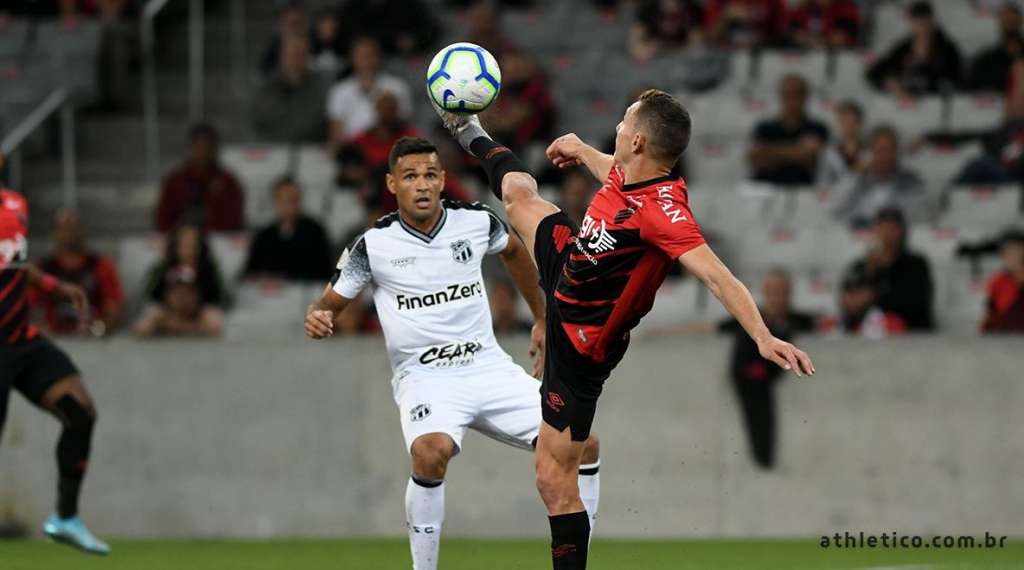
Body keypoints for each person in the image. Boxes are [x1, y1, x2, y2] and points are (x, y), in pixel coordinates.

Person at [434, 89, 813, 569]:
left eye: (624, 120)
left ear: (636, 141)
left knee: (552, 480)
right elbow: (611, 169)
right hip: (570, 263)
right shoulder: (629, 169)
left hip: (581, 344)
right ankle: (468, 128)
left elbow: (719, 277)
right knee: (517, 194)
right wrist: (577, 148)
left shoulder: (666, 213)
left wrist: (762, 335)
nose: (616, 126)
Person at [304, 137, 602, 570]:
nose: (421, 184)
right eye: (410, 177)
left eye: (429, 174)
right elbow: (326, 306)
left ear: (443, 180)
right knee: (430, 451)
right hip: (426, 377)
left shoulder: (477, 221)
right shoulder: (374, 245)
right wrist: (318, 319)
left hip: (487, 366)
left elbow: (516, 252)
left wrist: (542, 318)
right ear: (392, 184)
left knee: (585, 444)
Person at [0, 189, 109, 555]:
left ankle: (65, 517)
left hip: (20, 340)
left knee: (80, 413)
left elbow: (14, 262)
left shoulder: (16, 205)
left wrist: (53, 286)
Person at [718, 269, 816, 470]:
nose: (776, 297)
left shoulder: (803, 323)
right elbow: (712, 330)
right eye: (772, 291)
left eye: (781, 292)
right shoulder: (748, 323)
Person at [33, 210, 123, 336]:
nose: (69, 234)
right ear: (55, 233)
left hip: (91, 336)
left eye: (73, 228)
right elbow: (32, 307)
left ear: (82, 230)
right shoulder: (42, 269)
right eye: (63, 229)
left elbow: (113, 307)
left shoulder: (101, 266)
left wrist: (100, 329)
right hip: (54, 336)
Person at [846, 208, 934, 331]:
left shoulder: (916, 264)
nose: (888, 234)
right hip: (868, 333)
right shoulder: (861, 266)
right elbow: (848, 296)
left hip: (909, 333)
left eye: (893, 228)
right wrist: (870, 272)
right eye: (883, 228)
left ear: (902, 232)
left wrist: (873, 296)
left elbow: (915, 301)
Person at [831, 126, 927, 228]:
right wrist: (854, 175)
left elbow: (918, 218)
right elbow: (834, 210)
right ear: (870, 153)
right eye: (879, 150)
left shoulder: (912, 181)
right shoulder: (855, 180)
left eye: (889, 150)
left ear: (896, 152)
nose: (884, 155)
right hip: (856, 234)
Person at [155, 124, 245, 233]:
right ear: (191, 147)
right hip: (183, 244)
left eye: (207, 147)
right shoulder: (175, 181)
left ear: (214, 148)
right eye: (198, 146)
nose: (202, 152)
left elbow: (235, 220)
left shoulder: (228, 182)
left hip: (219, 243)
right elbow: (163, 220)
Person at [242, 178, 334, 282]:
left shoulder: (315, 233)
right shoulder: (265, 236)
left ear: (298, 201)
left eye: (291, 199)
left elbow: (324, 272)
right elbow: (250, 273)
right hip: (270, 294)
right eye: (281, 200)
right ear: (275, 202)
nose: (286, 205)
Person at [326, 36, 413, 145]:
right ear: (352, 58)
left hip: (389, 148)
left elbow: (405, 127)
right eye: (361, 55)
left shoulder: (397, 87)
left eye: (370, 55)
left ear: (379, 57)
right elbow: (335, 133)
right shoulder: (339, 90)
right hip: (353, 152)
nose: (366, 59)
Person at [747, 74, 830, 187]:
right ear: (780, 96)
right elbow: (756, 158)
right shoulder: (764, 127)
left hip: (803, 188)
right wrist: (797, 151)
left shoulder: (817, 128)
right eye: (787, 94)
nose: (792, 99)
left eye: (797, 94)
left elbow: (811, 159)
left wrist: (771, 151)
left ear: (805, 97)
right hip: (765, 187)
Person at [866, 1, 963, 97]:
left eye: (924, 23)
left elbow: (954, 81)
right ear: (912, 23)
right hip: (906, 104)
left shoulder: (947, 49)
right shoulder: (904, 48)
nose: (921, 28)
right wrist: (891, 84)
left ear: (932, 21)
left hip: (932, 104)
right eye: (917, 23)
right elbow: (874, 73)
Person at [251, 35, 331, 144]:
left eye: (301, 54)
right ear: (282, 56)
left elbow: (326, 122)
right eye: (292, 53)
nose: (296, 59)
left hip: (313, 150)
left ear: (309, 56)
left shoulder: (323, 88)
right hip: (274, 150)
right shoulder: (265, 89)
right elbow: (255, 122)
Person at [145, 224, 226, 308]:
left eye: (193, 243)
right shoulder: (163, 267)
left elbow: (216, 297)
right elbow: (153, 295)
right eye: (185, 243)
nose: (189, 249)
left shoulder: (208, 268)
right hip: (169, 311)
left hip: (199, 312)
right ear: (175, 246)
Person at [819, 265, 907, 337]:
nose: (853, 296)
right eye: (848, 290)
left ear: (871, 293)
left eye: (858, 290)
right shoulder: (829, 326)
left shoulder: (891, 324)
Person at [133, 269, 224, 338]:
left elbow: (215, 329)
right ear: (167, 295)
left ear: (198, 295)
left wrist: (173, 326)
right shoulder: (158, 313)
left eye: (189, 292)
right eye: (177, 292)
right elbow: (142, 330)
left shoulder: (206, 313)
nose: (183, 298)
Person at [969, 2, 1023, 93]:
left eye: (1013, 20)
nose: (1010, 23)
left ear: (1020, 21)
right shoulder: (986, 60)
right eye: (1006, 20)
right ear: (1000, 23)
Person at [981, 229, 1024, 332]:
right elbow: (991, 312)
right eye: (1006, 252)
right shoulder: (997, 281)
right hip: (1004, 334)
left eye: (1015, 251)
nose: (1011, 256)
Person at [818, 100, 866, 188]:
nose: (847, 126)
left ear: (859, 124)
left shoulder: (870, 152)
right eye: (843, 121)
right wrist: (855, 172)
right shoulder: (828, 153)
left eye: (851, 122)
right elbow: (823, 184)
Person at [785, 0, 861, 49]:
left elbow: (840, 39)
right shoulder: (803, 9)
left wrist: (815, 41)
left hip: (841, 59)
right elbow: (790, 33)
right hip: (804, 57)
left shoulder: (846, 7)